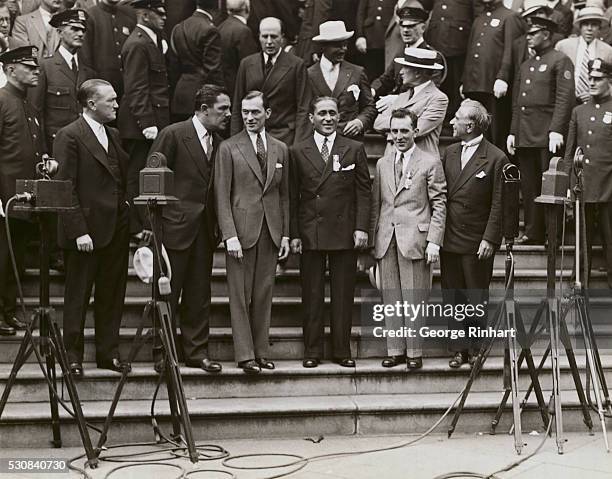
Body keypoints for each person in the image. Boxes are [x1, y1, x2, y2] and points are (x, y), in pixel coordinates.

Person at [149, 85, 230, 373]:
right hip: (173, 229)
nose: (228, 114)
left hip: (204, 230)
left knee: (199, 293)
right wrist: (156, 230)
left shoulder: (220, 142)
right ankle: (164, 353)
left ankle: (197, 351)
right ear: (204, 109)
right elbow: (152, 182)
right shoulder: (172, 134)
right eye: (223, 109)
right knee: (167, 294)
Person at [54, 79, 130, 377]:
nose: (116, 104)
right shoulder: (69, 135)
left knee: (112, 295)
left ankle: (107, 353)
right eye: (110, 100)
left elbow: (119, 180)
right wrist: (78, 231)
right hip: (85, 232)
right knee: (77, 296)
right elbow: (64, 187)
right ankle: (72, 356)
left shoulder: (113, 135)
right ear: (91, 104)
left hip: (115, 228)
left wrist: (126, 212)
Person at [289, 96, 370, 368]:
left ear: (339, 117)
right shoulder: (297, 150)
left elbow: (363, 192)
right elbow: (291, 196)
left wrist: (361, 227)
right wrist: (295, 234)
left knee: (343, 294)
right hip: (311, 230)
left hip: (344, 230)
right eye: (322, 113)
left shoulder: (354, 148)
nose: (327, 118)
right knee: (311, 294)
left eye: (332, 113)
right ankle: (312, 350)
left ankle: (341, 349)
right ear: (311, 118)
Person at [215, 90, 290, 374]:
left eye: (255, 112)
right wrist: (228, 234)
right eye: (245, 112)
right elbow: (221, 194)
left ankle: (261, 351)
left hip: (270, 230)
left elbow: (284, 195)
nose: (249, 117)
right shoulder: (229, 148)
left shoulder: (281, 148)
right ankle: (245, 355)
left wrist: (284, 233)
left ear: (267, 114)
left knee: (263, 294)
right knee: (239, 294)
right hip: (241, 232)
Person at [370, 108, 446, 369]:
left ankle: (414, 352)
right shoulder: (382, 163)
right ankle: (395, 350)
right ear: (389, 134)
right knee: (391, 298)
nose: (400, 136)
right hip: (386, 238)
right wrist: (373, 241)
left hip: (416, 239)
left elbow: (439, 204)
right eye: (395, 131)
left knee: (414, 298)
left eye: (405, 130)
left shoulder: (430, 162)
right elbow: (377, 204)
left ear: (416, 131)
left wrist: (434, 241)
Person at [441, 99, 506, 368]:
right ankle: (458, 349)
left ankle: (477, 347)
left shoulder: (496, 157)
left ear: (470, 125)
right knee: (453, 293)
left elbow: (500, 203)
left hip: (477, 240)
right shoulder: (449, 152)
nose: (451, 122)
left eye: (456, 118)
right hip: (450, 237)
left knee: (475, 293)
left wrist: (490, 238)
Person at [507, 14, 574, 245]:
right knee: (529, 185)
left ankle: (552, 234)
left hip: (547, 135)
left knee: (551, 185)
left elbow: (564, 99)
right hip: (526, 133)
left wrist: (556, 129)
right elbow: (518, 102)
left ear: (546, 34)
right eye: (528, 33)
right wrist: (513, 131)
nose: (529, 37)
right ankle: (533, 231)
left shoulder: (560, 60)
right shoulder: (527, 64)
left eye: (534, 33)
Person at [0, 46, 45, 336]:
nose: (35, 71)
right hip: (4, 199)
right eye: (28, 66)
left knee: (14, 257)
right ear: (9, 69)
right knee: (1, 256)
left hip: (25, 198)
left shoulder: (30, 106)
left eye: (35, 66)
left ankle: (7, 310)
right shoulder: (2, 101)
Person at [117, 0, 169, 239]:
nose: (164, 17)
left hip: (150, 120)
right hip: (141, 124)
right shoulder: (138, 44)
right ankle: (136, 227)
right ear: (146, 15)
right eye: (159, 13)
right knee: (137, 174)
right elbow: (136, 87)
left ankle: (145, 222)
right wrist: (147, 122)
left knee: (148, 173)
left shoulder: (151, 41)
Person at [563, 58, 612, 288]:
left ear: (609, 80)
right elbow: (570, 151)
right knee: (582, 242)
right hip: (583, 186)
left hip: (609, 187)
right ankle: (579, 287)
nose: (592, 82)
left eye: (598, 79)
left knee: (610, 239)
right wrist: (567, 183)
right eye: (590, 78)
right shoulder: (578, 111)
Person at [231, 16, 312, 145]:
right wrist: (235, 140)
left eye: (274, 37)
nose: (269, 41)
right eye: (265, 36)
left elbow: (303, 107)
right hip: (251, 134)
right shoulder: (247, 64)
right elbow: (237, 105)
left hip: (285, 136)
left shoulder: (296, 64)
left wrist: (299, 143)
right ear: (259, 37)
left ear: (282, 38)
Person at [461, 0, 524, 148]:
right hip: (475, 82)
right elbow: (471, 50)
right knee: (473, 130)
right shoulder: (479, 18)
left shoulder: (510, 17)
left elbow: (511, 51)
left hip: (494, 84)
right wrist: (464, 79)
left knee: (494, 132)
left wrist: (503, 77)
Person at [31, 9, 94, 152]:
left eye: (83, 30)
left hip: (85, 144)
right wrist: (43, 150)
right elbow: (36, 112)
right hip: (56, 144)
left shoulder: (88, 71)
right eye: (75, 29)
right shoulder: (45, 67)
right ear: (59, 33)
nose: (80, 34)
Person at [374, 47, 448, 159]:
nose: (401, 72)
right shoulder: (403, 96)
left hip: (421, 163)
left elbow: (419, 130)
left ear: (417, 72)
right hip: (392, 160)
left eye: (405, 67)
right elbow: (377, 123)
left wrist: (390, 132)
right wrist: (404, 125)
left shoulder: (438, 98)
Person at [308, 21, 376, 139]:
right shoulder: (308, 75)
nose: (343, 49)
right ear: (323, 46)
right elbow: (302, 111)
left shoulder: (357, 72)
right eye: (338, 46)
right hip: (319, 141)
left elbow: (369, 106)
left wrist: (360, 122)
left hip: (350, 141)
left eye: (345, 45)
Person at [425, 0, 481, 120]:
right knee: (435, 84)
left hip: (459, 44)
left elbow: (479, 16)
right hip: (436, 41)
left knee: (455, 87)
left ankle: (453, 119)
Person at [170, 0, 223, 122]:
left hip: (180, 93)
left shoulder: (178, 27)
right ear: (217, 6)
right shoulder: (210, 30)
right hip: (201, 95)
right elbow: (213, 70)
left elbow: (173, 66)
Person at [79, 0, 136, 100]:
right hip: (101, 89)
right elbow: (86, 59)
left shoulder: (128, 16)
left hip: (127, 87)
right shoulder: (90, 16)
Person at [555, 6, 612, 104]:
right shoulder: (563, 46)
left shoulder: (608, 50)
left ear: (599, 28)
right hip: (566, 100)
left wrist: (594, 92)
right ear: (580, 27)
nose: (589, 29)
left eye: (594, 25)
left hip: (595, 102)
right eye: (585, 24)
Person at [218, 0, 258, 99]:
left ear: (228, 10)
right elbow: (250, 68)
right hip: (238, 92)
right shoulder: (243, 31)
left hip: (222, 91)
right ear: (247, 8)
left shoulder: (220, 27)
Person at [354, 0, 396, 80]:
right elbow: (360, 14)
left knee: (385, 71)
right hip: (369, 38)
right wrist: (360, 36)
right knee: (370, 71)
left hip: (387, 38)